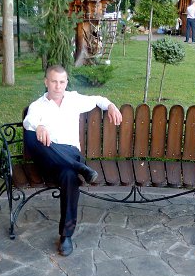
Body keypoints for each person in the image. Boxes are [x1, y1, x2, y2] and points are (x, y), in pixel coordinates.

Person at [23, 65, 122, 257]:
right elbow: (29, 121)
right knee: (30, 135)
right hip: (49, 159)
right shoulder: (38, 106)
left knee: (69, 175)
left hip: (70, 153)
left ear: (66, 83)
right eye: (54, 81)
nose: (58, 86)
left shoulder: (74, 99)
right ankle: (81, 168)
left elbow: (98, 99)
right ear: (46, 82)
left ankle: (66, 236)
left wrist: (110, 105)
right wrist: (39, 126)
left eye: (62, 82)